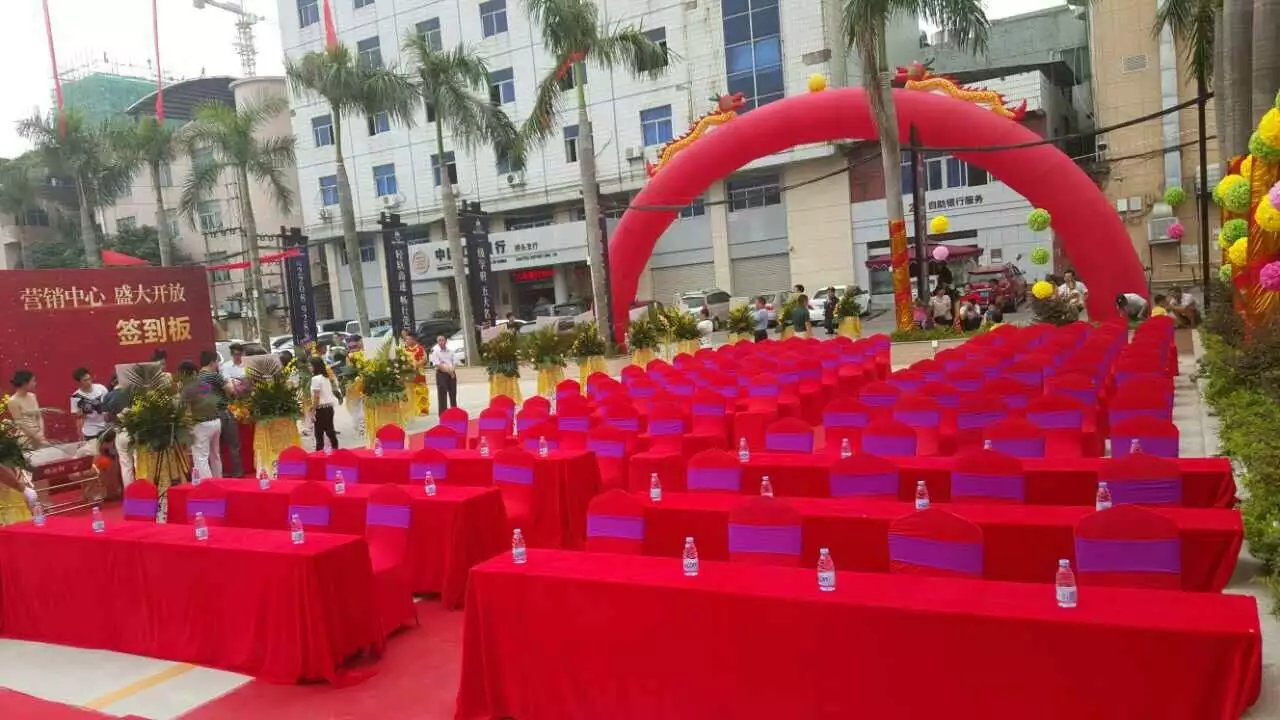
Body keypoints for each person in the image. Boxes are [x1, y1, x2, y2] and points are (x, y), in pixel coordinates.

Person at [197, 350, 241, 478]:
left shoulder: (198, 377)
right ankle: (237, 474)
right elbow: (231, 391)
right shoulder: (214, 376)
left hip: (208, 415)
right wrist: (231, 382)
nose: (218, 364)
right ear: (212, 362)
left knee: (213, 452)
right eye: (217, 361)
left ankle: (217, 476)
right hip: (222, 414)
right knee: (233, 445)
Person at [7, 370, 46, 449]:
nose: (35, 383)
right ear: (25, 383)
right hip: (25, 439)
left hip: (38, 435)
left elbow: (39, 416)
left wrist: (41, 432)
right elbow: (20, 423)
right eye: (33, 381)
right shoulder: (13, 401)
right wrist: (35, 436)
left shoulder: (32, 396)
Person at [69, 368, 109, 442]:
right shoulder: (76, 396)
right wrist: (80, 413)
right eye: (85, 380)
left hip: (106, 426)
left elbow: (109, 404)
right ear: (79, 382)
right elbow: (76, 416)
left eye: (89, 378)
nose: (89, 382)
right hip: (90, 429)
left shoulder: (101, 388)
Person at [310, 356, 339, 451]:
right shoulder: (326, 378)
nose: (309, 367)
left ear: (315, 366)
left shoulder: (315, 379)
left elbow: (316, 396)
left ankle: (319, 454)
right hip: (329, 408)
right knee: (330, 431)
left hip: (321, 409)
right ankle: (336, 450)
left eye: (310, 365)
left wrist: (313, 411)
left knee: (319, 434)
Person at [402, 330, 430, 416]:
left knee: (421, 392)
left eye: (408, 339)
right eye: (406, 339)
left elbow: (425, 359)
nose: (406, 341)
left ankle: (422, 410)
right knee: (409, 392)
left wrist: (415, 365)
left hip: (419, 374)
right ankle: (411, 410)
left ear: (413, 340)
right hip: (408, 374)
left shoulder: (420, 348)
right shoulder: (404, 350)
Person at [429, 334, 458, 413]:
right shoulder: (435, 352)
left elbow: (455, 363)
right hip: (441, 374)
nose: (441, 342)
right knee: (442, 394)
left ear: (446, 341)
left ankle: (454, 412)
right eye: (439, 340)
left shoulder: (451, 351)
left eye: (442, 340)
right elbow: (438, 365)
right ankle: (443, 413)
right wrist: (450, 372)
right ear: (437, 342)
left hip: (452, 372)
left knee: (453, 393)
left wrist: (452, 371)